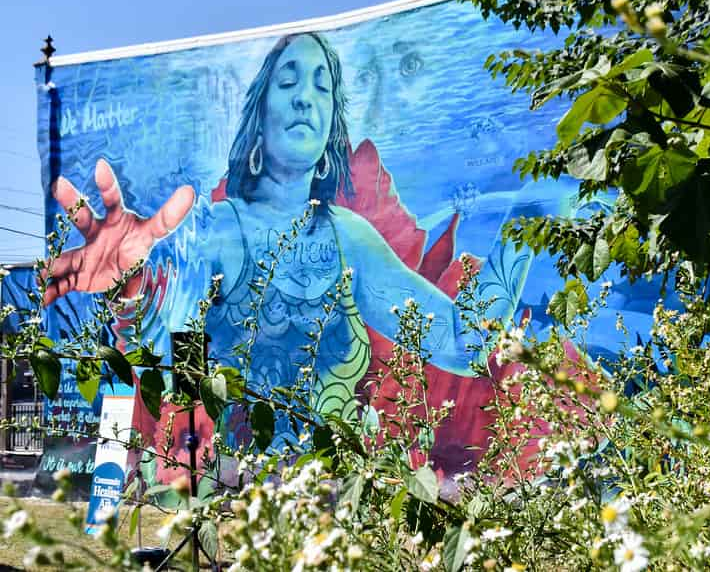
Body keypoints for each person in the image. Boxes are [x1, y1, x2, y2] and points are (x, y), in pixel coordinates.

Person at [45, 32, 531, 448]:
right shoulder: (218, 230)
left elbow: (465, 344)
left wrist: (533, 218)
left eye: (323, 87)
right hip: (239, 512)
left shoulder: (352, 242)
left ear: (329, 126)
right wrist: (133, 287)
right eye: (289, 81)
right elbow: (164, 364)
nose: (306, 97)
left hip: (336, 522)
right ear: (260, 115)